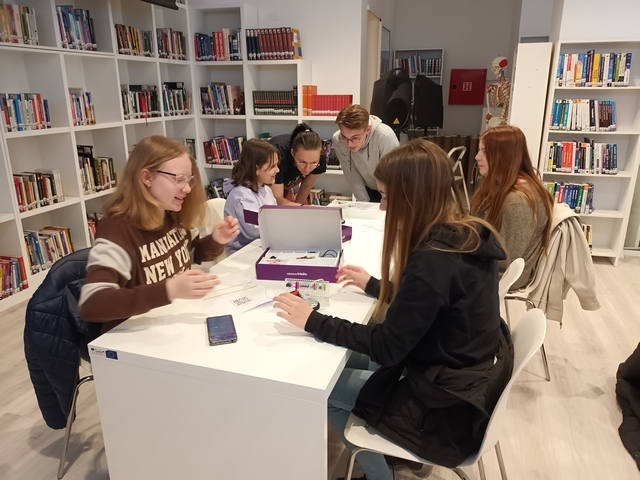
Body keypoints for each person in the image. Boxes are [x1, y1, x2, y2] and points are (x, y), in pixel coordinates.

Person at [273, 139, 514, 480]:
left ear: (412, 198)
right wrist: (374, 285)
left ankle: (379, 476)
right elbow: (431, 302)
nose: (383, 206)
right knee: (344, 360)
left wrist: (313, 320)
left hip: (442, 406)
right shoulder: (466, 234)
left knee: (324, 389)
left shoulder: (433, 260)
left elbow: (387, 347)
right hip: (458, 379)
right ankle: (398, 455)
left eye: (387, 197)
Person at [79, 135, 239, 333]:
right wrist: (169, 290)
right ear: (147, 177)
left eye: (189, 180)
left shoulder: (170, 212)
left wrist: (215, 240)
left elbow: (190, 254)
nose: (187, 188)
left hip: (170, 321)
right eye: (178, 179)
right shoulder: (117, 229)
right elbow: (92, 304)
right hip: (134, 336)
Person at [471, 125, 554, 290]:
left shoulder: (517, 202)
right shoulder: (501, 186)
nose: (477, 157)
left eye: (484, 152)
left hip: (503, 277)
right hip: (488, 263)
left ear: (504, 156)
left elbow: (506, 260)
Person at [332, 104, 399, 202]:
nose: (349, 144)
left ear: (368, 129)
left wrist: (387, 201)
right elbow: (351, 175)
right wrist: (364, 204)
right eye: (344, 137)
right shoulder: (338, 140)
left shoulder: (385, 136)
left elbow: (392, 176)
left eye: (355, 138)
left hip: (392, 189)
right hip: (368, 188)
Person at [223, 138, 279, 254]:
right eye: (272, 166)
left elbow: (274, 218)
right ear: (256, 169)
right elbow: (255, 230)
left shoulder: (266, 190)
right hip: (243, 252)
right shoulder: (242, 196)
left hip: (263, 247)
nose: (277, 170)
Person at [268, 123, 326, 205]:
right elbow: (277, 198)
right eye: (302, 162)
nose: (307, 169)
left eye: (314, 163)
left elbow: (306, 185)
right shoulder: (279, 156)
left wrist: (299, 209)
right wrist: (301, 208)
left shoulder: (320, 156)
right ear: (293, 152)